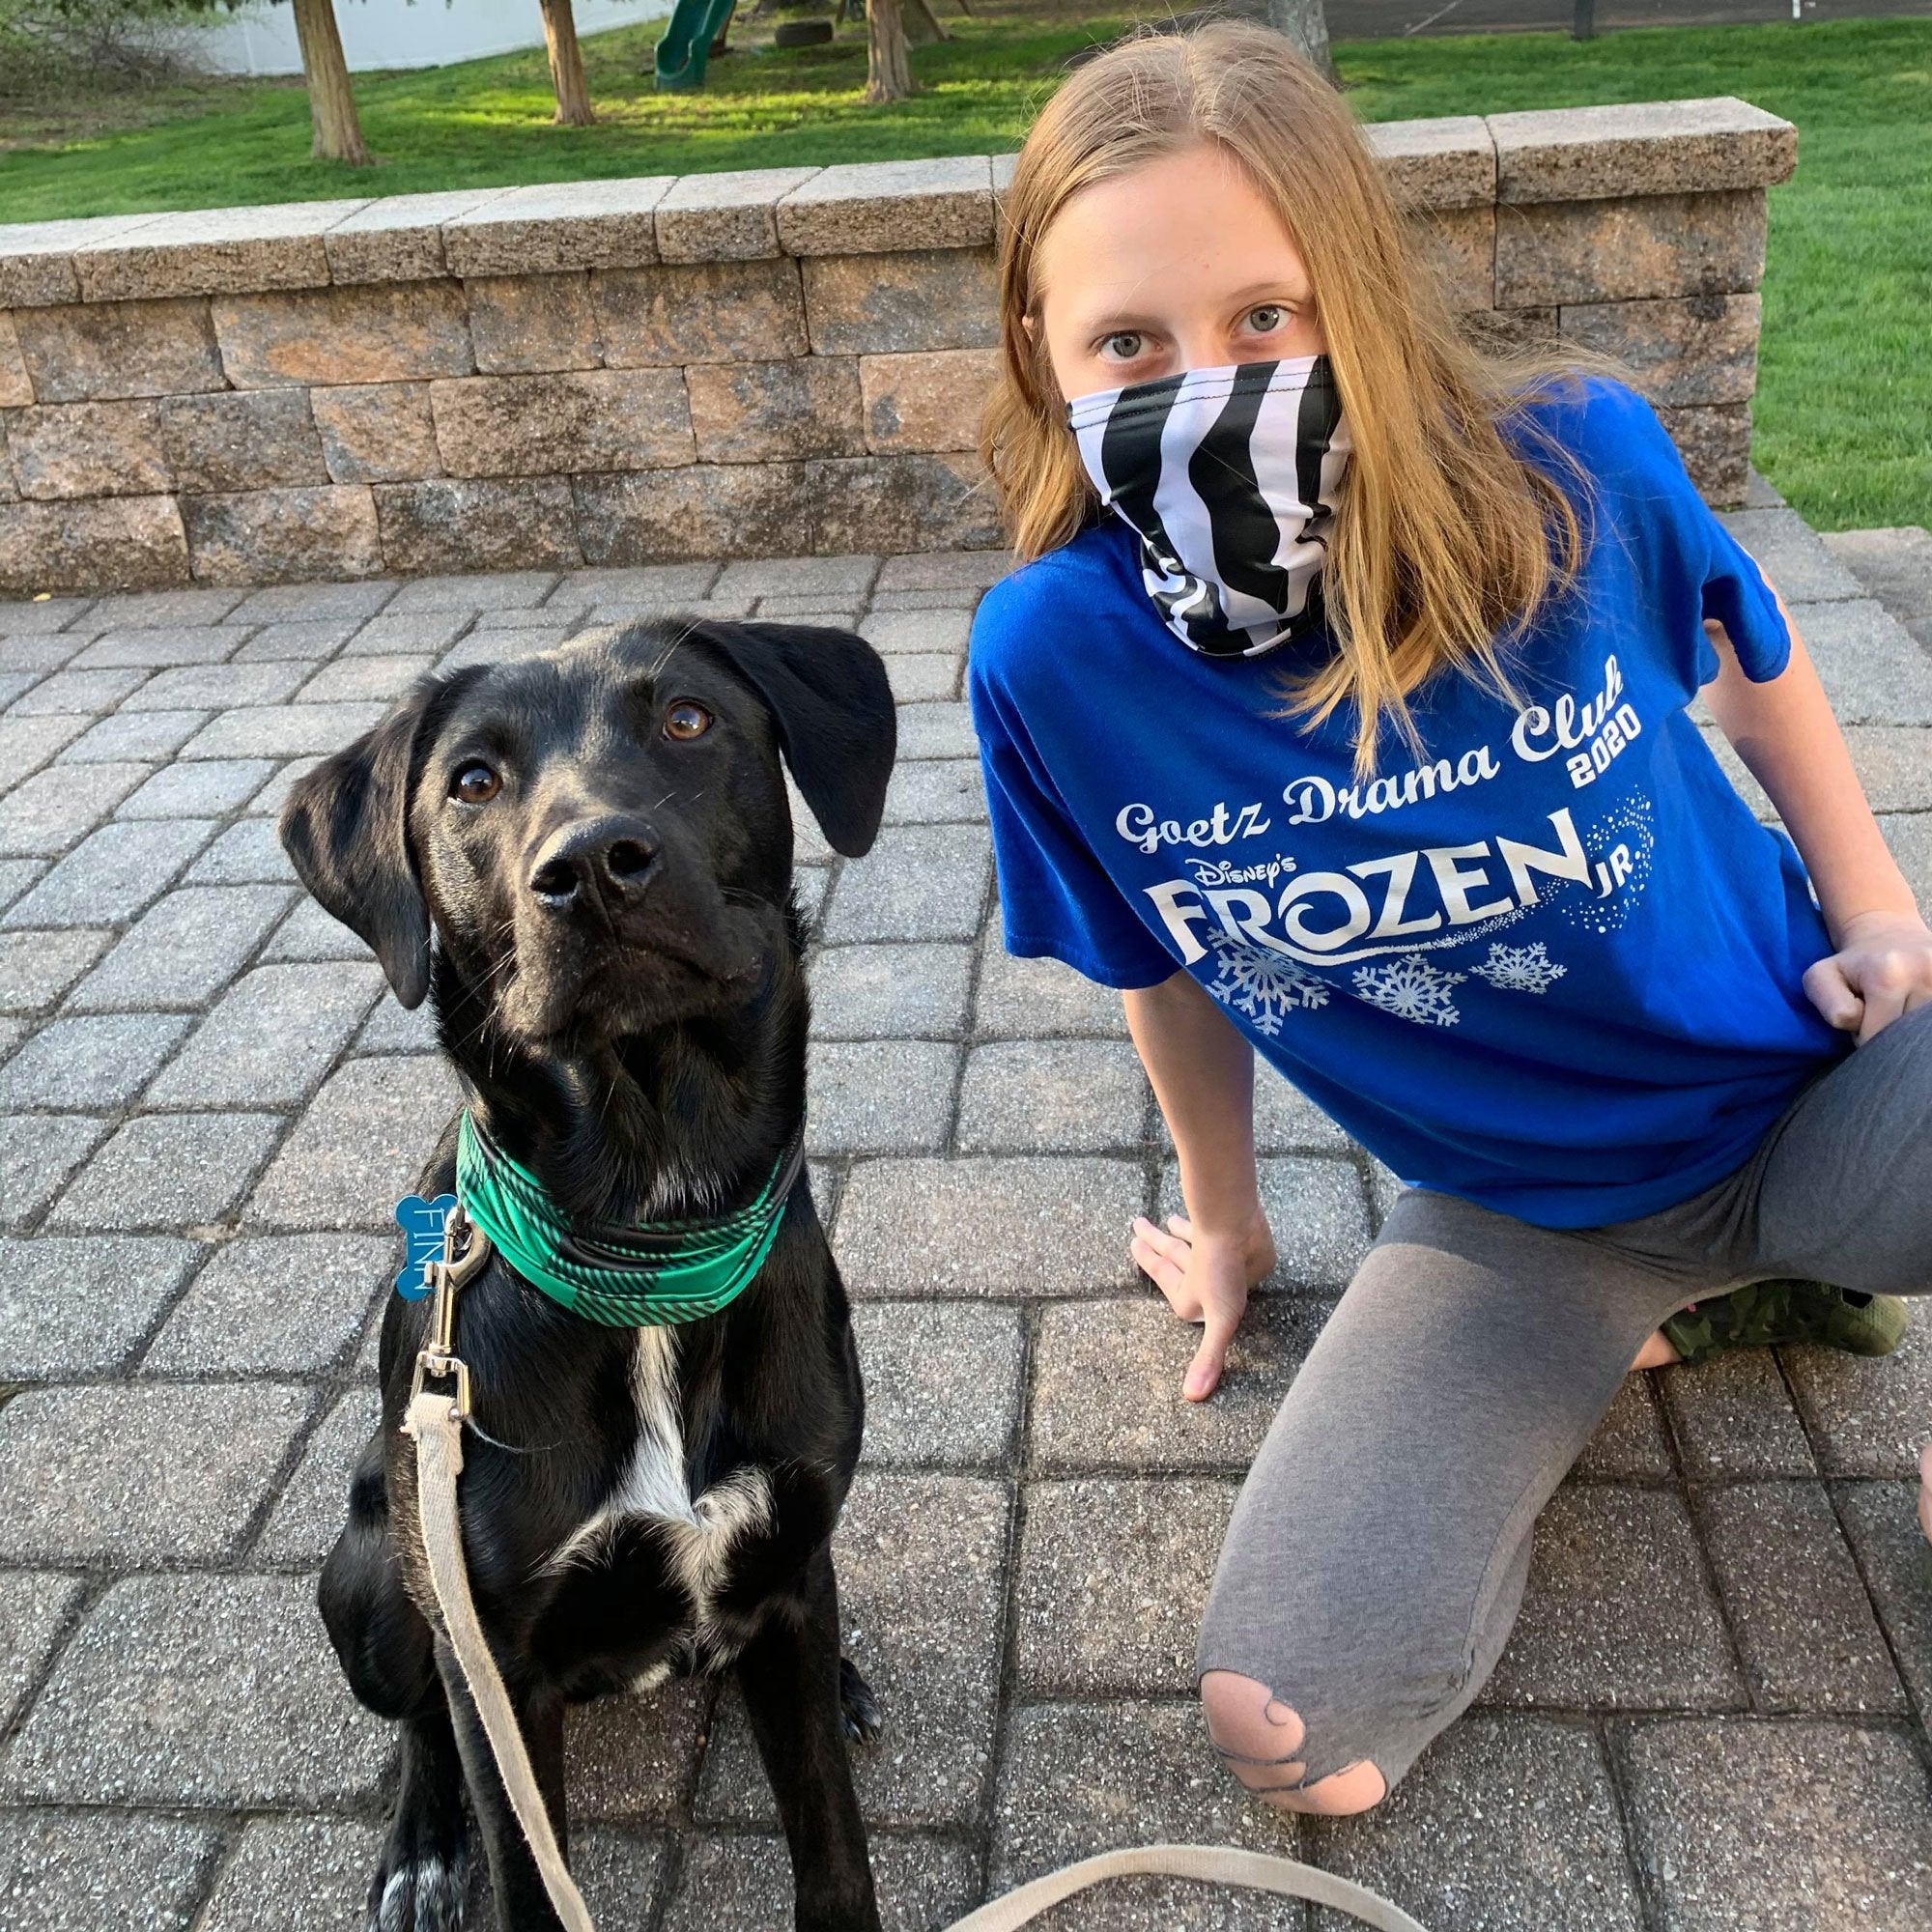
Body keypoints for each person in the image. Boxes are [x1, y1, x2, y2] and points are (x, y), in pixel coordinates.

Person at [966, 18, 1932, 1818]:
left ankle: (1800, 1273)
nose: (1207, 382)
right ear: (1043, 351)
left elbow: (1753, 654)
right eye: (1130, 342)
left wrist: (1878, 906)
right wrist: (1228, 1226)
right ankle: (1709, 1310)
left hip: (1820, 1085)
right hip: (1523, 1225)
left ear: (1360, 290)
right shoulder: (1052, 659)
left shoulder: (1574, 465)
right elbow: (1160, 958)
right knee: (1295, 1743)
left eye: (1268, 316)